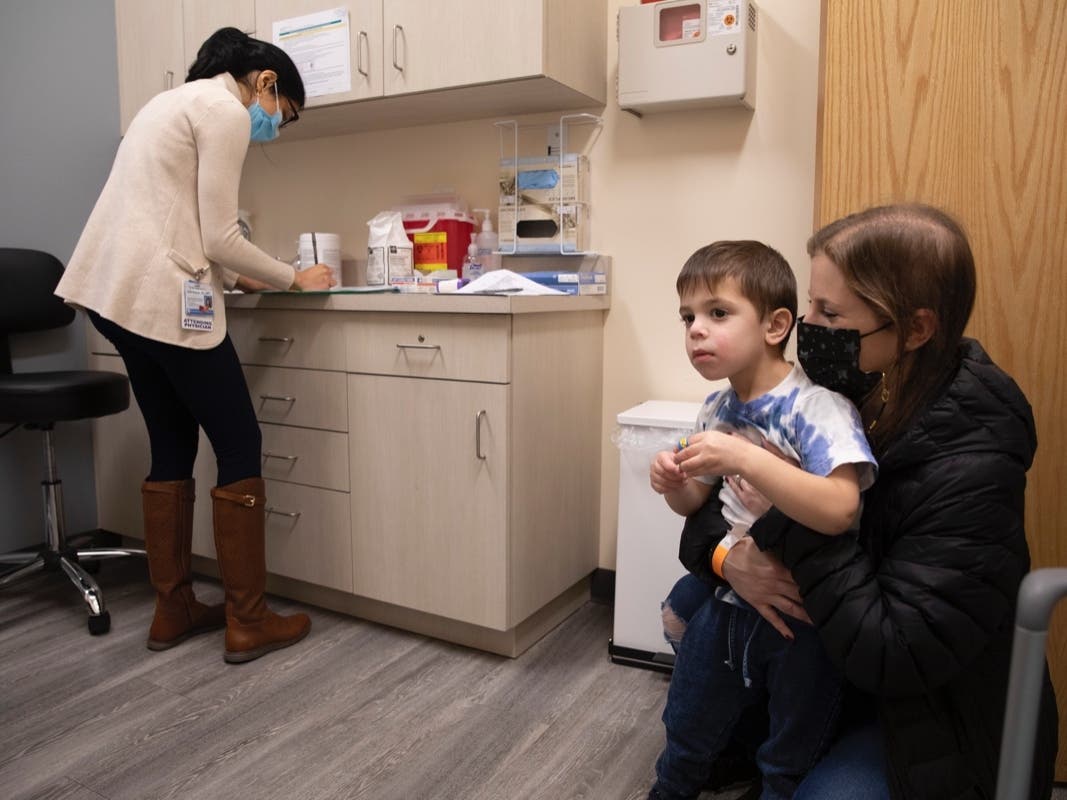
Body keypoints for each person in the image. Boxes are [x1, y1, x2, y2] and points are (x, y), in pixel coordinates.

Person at [661, 204, 1058, 799]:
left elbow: (895, 650)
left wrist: (782, 514)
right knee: (691, 603)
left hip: (925, 706)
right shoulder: (843, 384)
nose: (807, 325)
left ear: (915, 329)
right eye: (812, 305)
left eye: (830, 312)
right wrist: (727, 557)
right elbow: (715, 509)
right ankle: (754, 746)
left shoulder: (971, 460)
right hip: (838, 627)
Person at [55, 28, 336, 663]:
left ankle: (173, 608)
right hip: (161, 299)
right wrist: (293, 277)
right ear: (266, 82)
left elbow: (176, 219)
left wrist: (240, 274)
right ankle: (248, 620)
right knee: (239, 441)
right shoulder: (225, 110)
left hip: (115, 298)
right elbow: (218, 237)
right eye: (284, 114)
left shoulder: (169, 103)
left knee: (173, 440)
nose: (275, 127)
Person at [646, 241, 877, 800]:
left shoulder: (816, 408)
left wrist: (747, 460)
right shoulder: (715, 409)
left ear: (775, 326)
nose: (696, 331)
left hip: (803, 619)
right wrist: (674, 483)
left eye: (717, 313)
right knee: (686, 726)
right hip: (730, 601)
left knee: (789, 754)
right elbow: (695, 506)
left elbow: (843, 508)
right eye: (687, 318)